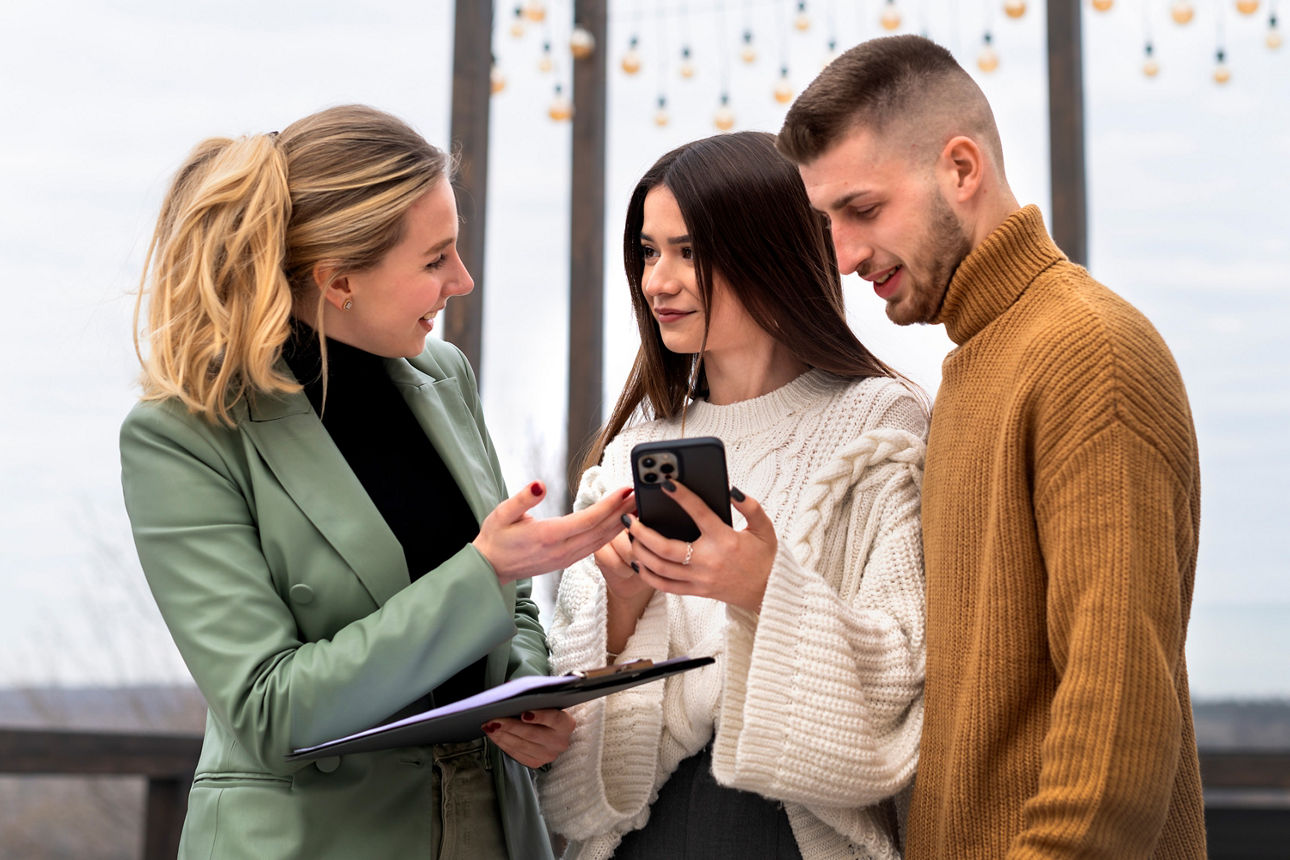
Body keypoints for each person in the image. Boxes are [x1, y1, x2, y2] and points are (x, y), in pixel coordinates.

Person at [119, 104, 635, 859]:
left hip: (491, 829)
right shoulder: (185, 436)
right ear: (338, 282)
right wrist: (485, 568)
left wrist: (524, 700)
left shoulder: (443, 376)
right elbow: (270, 710)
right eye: (435, 260)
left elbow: (514, 608)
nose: (461, 280)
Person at [778, 34, 1207, 858]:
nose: (842, 255)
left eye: (862, 210)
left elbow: (1117, 716)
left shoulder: (1089, 353)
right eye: (824, 222)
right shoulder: (975, 366)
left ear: (962, 169)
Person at [539, 131, 928, 859]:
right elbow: (572, 783)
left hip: (789, 835)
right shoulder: (627, 456)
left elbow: (903, 677)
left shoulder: (880, 427)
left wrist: (762, 591)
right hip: (634, 842)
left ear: (769, 251)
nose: (659, 281)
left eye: (688, 251)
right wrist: (622, 609)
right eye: (649, 253)